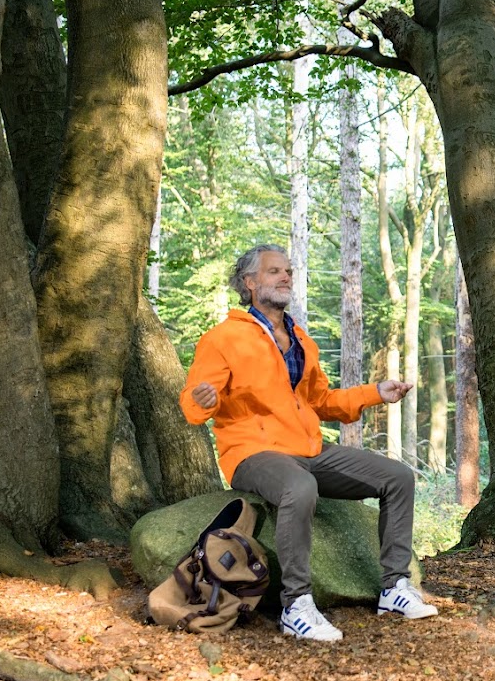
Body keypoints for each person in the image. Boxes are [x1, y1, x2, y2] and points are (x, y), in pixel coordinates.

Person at [180, 244, 437, 641]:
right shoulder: (222, 338)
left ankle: (394, 588)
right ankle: (296, 605)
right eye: (273, 271)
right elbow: (194, 404)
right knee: (300, 487)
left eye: (288, 271)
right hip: (253, 454)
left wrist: (375, 393)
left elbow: (321, 402)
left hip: (309, 450)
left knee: (398, 477)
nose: (285, 277)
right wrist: (202, 400)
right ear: (249, 283)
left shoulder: (301, 339)